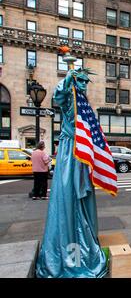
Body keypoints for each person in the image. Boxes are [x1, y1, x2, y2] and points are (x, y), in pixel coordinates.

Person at [36, 68, 108, 278]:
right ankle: (73, 258)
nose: (84, 85)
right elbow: (58, 95)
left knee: (81, 202)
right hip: (71, 156)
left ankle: (80, 251)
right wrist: (68, 79)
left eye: (86, 81)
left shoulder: (84, 105)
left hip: (81, 158)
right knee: (68, 200)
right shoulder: (70, 100)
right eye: (81, 81)